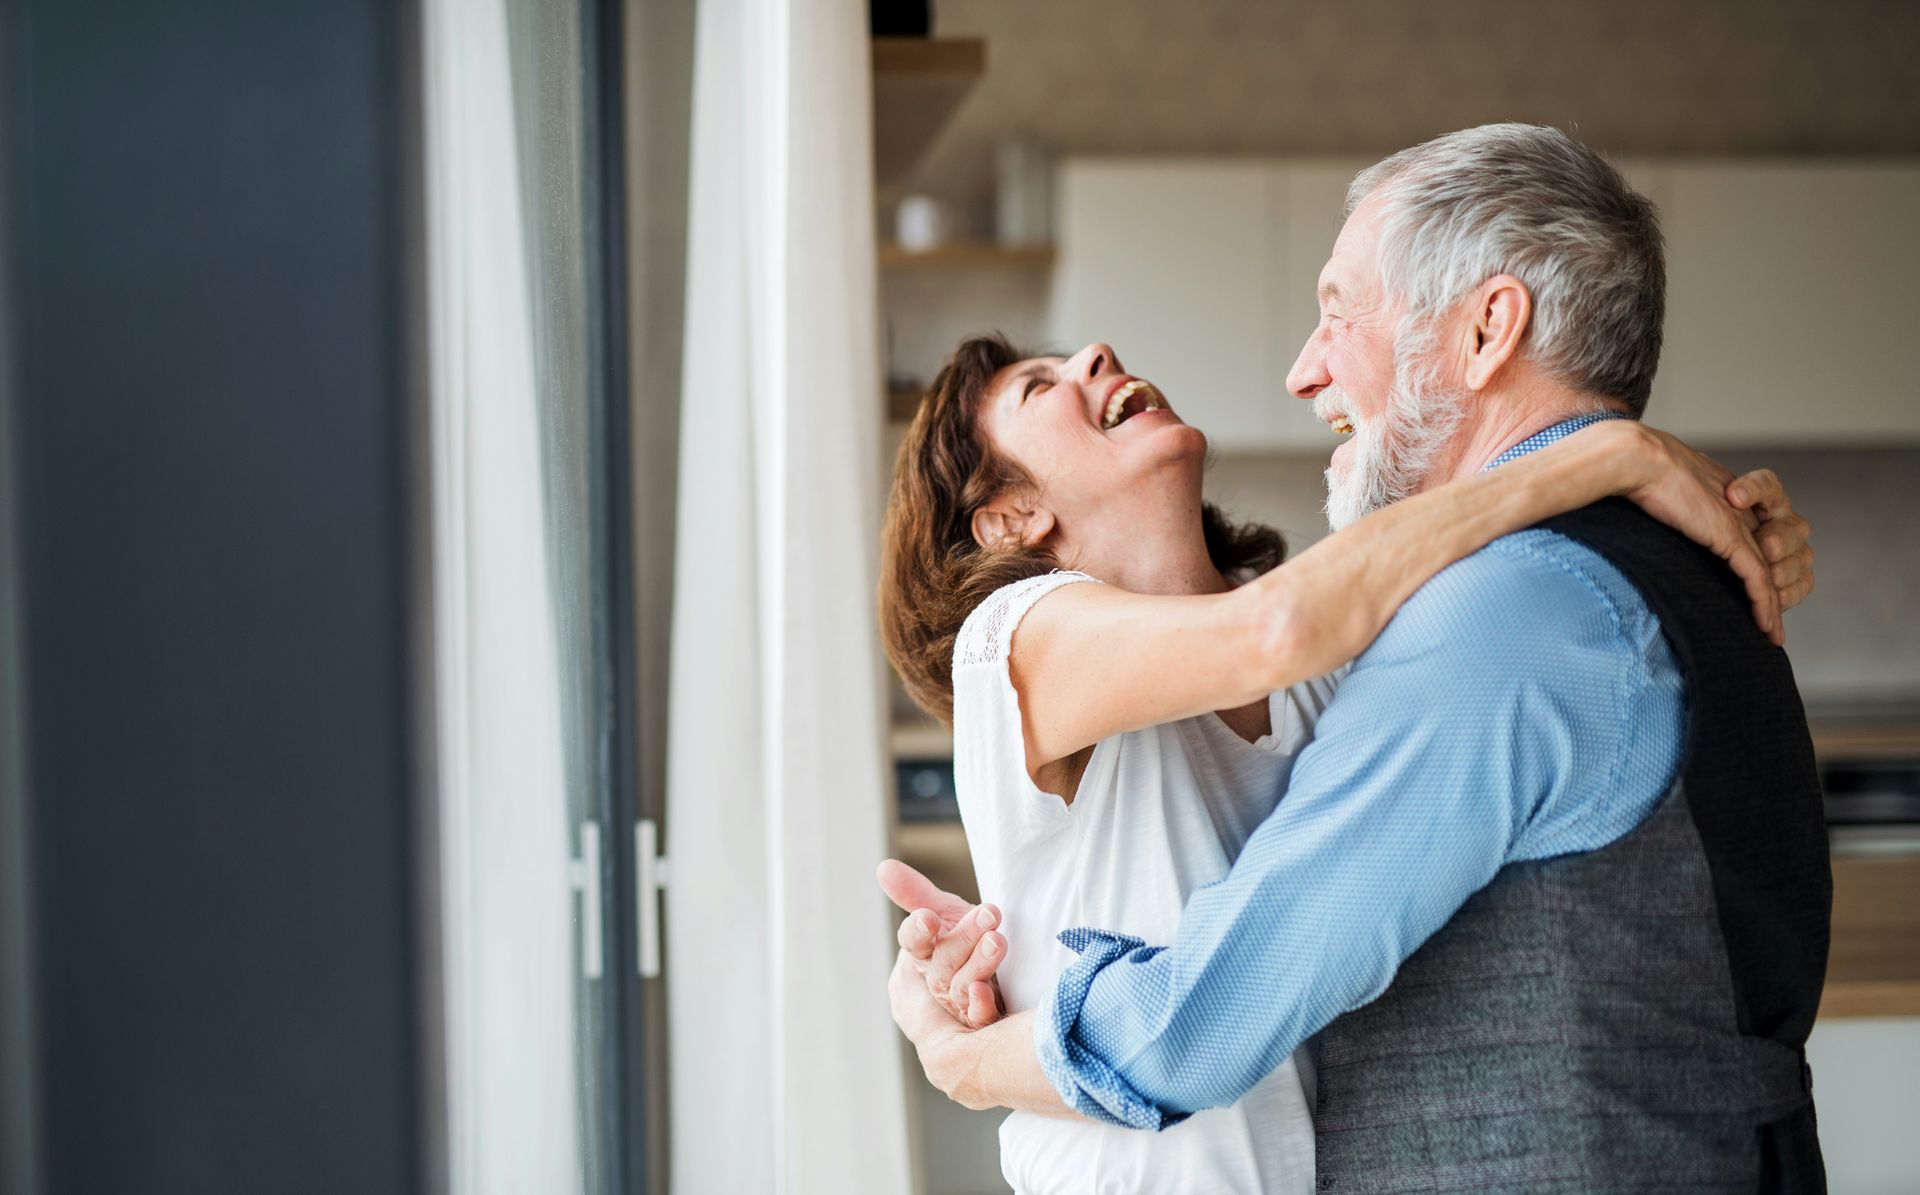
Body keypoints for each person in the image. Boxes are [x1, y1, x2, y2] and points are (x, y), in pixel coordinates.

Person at [879, 124, 1826, 1193]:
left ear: (1484, 332)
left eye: (1338, 314)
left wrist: (972, 1054)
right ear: (1007, 516)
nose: (1302, 369)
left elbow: (1203, 1017)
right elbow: (1284, 627)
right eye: (1040, 384)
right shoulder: (1026, 635)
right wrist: (1606, 452)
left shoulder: (1475, 617)